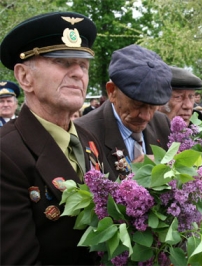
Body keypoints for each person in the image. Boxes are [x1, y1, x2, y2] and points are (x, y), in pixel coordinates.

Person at [0, 12, 111, 265]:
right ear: (24, 77)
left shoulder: (87, 138)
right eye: (62, 62)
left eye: (83, 65)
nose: (78, 74)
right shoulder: (5, 153)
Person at [75, 44, 172, 180]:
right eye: (138, 103)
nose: (146, 116)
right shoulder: (83, 134)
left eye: (153, 106)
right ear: (111, 91)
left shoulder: (163, 124)